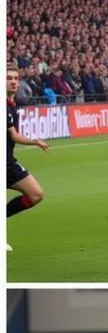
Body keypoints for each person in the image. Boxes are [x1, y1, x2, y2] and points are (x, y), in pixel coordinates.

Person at [6, 64, 49, 251]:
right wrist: (35, 142)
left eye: (16, 78)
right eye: (9, 78)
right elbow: (14, 135)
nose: (13, 82)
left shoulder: (11, 104)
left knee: (36, 194)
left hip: (8, 161)